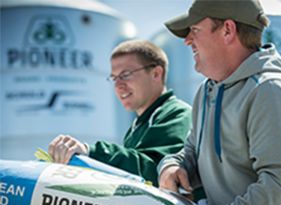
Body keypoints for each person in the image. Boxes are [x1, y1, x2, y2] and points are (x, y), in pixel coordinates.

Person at [157, 0, 281, 205]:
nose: (187, 40)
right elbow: (193, 151)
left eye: (195, 31)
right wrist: (173, 166)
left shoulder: (270, 92)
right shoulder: (207, 91)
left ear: (228, 30)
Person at [48, 39, 191, 186]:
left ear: (156, 73)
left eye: (126, 75)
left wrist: (91, 152)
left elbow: (157, 172)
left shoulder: (177, 114)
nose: (118, 86)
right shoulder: (137, 127)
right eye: (114, 78)